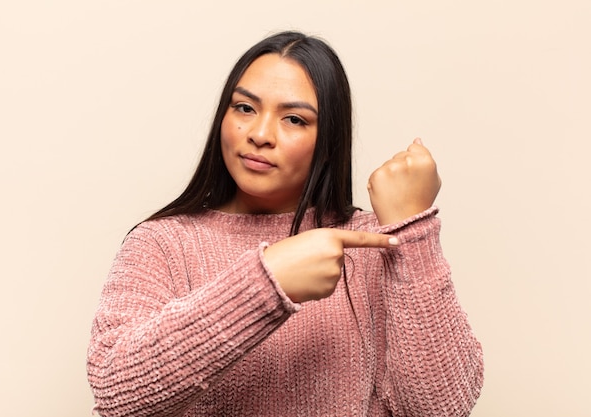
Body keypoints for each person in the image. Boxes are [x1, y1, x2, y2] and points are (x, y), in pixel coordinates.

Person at [87, 30, 484, 417]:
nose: (259, 134)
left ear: (328, 139)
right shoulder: (162, 243)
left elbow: (441, 408)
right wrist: (266, 282)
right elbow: (116, 394)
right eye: (244, 108)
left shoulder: (370, 245)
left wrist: (410, 230)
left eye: (294, 119)